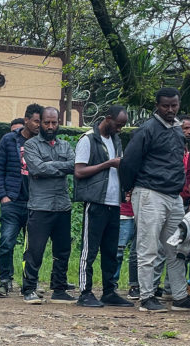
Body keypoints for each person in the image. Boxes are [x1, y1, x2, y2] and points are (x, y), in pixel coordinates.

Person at [120, 87, 190, 312]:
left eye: (174, 105)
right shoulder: (147, 129)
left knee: (177, 248)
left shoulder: (178, 130)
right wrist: (128, 188)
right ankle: (147, 296)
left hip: (174, 196)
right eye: (165, 106)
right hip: (150, 193)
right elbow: (129, 162)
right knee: (148, 247)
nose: (170, 109)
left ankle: (179, 296)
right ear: (157, 106)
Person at [73, 105, 133, 307]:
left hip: (114, 203)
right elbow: (79, 172)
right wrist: (108, 163)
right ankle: (85, 292)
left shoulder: (116, 140)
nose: (120, 129)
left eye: (123, 126)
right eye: (118, 125)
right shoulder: (88, 139)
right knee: (89, 250)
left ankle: (109, 291)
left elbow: (120, 166)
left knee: (110, 251)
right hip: (95, 202)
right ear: (108, 118)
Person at [21, 107, 76, 304]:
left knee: (62, 251)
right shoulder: (31, 145)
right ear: (40, 122)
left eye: (54, 122)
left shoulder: (65, 145)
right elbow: (36, 168)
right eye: (46, 122)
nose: (51, 126)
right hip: (40, 206)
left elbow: (74, 165)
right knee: (35, 251)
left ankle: (59, 289)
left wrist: (49, 167)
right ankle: (29, 289)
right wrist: (59, 168)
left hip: (62, 206)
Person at [0, 103, 43, 297]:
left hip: (35, 202)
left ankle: (29, 284)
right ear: (26, 120)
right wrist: (3, 196)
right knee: (6, 242)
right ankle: (5, 281)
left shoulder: (42, 142)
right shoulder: (9, 140)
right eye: (36, 121)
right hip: (12, 201)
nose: (39, 125)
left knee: (32, 248)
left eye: (41, 121)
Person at [113, 191, 140, 300]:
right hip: (124, 211)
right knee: (118, 251)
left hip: (143, 211)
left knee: (139, 251)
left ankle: (136, 285)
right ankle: (111, 284)